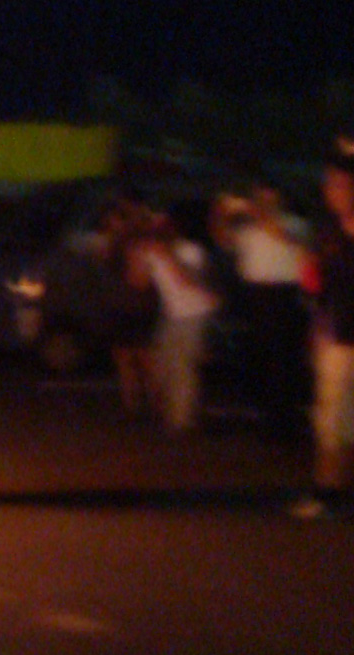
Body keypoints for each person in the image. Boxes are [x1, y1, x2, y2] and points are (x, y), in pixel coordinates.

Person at [214, 179, 312, 442]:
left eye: (268, 197)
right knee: (261, 357)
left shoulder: (294, 223)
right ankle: (269, 418)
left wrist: (259, 214)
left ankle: (285, 422)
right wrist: (221, 214)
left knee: (284, 359)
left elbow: (288, 239)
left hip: (284, 296)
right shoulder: (248, 228)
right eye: (258, 197)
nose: (261, 202)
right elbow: (223, 240)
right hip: (254, 297)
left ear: (280, 198)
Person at [292, 154, 354, 519]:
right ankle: (327, 492)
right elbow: (318, 287)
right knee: (330, 420)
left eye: (339, 184)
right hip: (337, 337)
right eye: (328, 184)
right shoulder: (328, 232)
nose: (331, 192)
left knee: (344, 420)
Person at [139, 211, 220, 433]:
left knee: (183, 366)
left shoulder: (190, 250)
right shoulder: (152, 253)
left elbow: (186, 281)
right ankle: (170, 413)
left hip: (196, 311)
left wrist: (167, 256)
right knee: (162, 364)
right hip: (173, 314)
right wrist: (137, 257)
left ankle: (180, 421)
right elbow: (140, 282)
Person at [100, 198, 162, 418]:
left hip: (132, 306)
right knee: (131, 358)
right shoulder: (125, 240)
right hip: (131, 305)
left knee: (138, 358)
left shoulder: (132, 241)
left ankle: (142, 405)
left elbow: (139, 279)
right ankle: (139, 404)